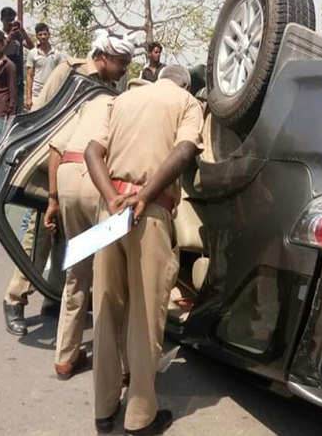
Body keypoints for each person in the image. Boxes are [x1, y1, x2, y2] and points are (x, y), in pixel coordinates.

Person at [85, 66, 204, 435]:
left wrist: (111, 198)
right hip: (147, 211)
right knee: (145, 315)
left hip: (110, 210)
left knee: (105, 308)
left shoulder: (122, 99)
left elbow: (92, 151)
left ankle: (104, 411)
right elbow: (185, 150)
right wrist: (146, 195)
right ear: (184, 83)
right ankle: (140, 418)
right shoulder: (186, 102)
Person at [2, 30, 135, 337]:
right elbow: (40, 114)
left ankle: (54, 295)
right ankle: (14, 299)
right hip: (53, 160)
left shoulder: (114, 87)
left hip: (87, 170)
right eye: (121, 62)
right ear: (102, 56)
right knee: (40, 235)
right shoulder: (69, 71)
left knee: (72, 239)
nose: (125, 69)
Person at [41, 31, 134, 380]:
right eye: (122, 64)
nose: (124, 71)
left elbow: (54, 148)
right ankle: (125, 365)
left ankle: (65, 358)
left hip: (66, 178)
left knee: (77, 273)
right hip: (97, 180)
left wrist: (52, 199)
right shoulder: (123, 106)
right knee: (111, 277)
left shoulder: (87, 103)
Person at [0, 7, 34, 114]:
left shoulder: (18, 35)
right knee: (5, 112)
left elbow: (32, 47)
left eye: (12, 20)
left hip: (18, 79)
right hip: (4, 80)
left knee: (18, 112)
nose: (10, 23)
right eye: (8, 21)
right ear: (2, 20)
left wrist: (22, 31)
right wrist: (10, 36)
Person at [25, 23, 64, 110]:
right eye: (40, 34)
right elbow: (29, 76)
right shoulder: (32, 54)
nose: (43, 37)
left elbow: (61, 74)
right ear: (37, 36)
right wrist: (28, 98)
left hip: (52, 94)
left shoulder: (57, 54)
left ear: (49, 35)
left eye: (45, 34)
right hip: (36, 94)